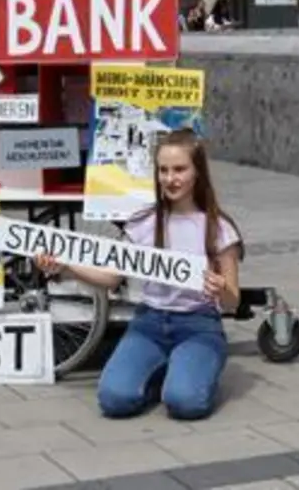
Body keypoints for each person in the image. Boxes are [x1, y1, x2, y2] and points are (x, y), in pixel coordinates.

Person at [35, 130, 242, 420]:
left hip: (199, 325)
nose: (171, 179)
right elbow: (111, 278)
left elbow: (233, 301)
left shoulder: (219, 228)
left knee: (185, 404)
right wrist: (65, 267)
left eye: (180, 169)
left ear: (198, 172)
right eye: (163, 170)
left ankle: (190, 373)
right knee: (113, 400)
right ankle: (164, 373)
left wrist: (221, 289)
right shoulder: (143, 223)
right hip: (149, 322)